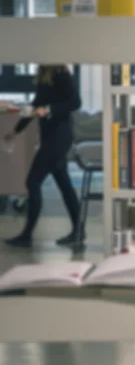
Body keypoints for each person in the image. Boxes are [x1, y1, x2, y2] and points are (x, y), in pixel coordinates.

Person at [3, 65, 82, 248]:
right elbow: (35, 104)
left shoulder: (61, 74)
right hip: (50, 137)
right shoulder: (45, 77)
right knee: (64, 184)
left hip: (59, 137)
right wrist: (16, 131)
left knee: (33, 182)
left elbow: (76, 102)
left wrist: (49, 110)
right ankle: (79, 231)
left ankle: (26, 235)